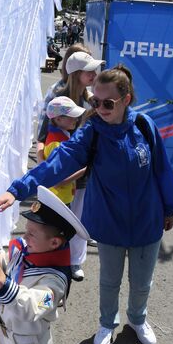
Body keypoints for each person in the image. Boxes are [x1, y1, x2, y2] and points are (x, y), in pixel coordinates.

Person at [0, 65, 173, 344]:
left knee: (142, 282)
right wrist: (17, 190)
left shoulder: (144, 126)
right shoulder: (92, 133)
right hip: (109, 222)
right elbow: (58, 162)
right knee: (109, 280)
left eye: (108, 103)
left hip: (147, 221)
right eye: (95, 102)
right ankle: (107, 323)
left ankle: (138, 320)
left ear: (126, 100)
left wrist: (169, 208)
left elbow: (162, 170)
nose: (100, 108)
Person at [0, 186, 89, 344]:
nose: (24, 237)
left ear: (54, 243)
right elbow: (9, 262)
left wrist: (2, 281)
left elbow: (32, 307)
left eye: (31, 233)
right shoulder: (30, 250)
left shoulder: (55, 283)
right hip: (7, 335)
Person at [37, 49, 105, 280]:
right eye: (89, 72)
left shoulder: (89, 96)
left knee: (78, 215)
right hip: (66, 172)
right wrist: (41, 152)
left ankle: (75, 261)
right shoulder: (58, 96)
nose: (94, 75)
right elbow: (45, 128)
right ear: (77, 74)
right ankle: (52, 259)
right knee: (57, 218)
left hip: (79, 171)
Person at [43, 96, 85, 205]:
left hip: (61, 197)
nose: (76, 119)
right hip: (57, 200)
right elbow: (57, 180)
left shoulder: (62, 136)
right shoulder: (57, 144)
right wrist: (85, 170)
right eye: (72, 116)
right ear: (58, 119)